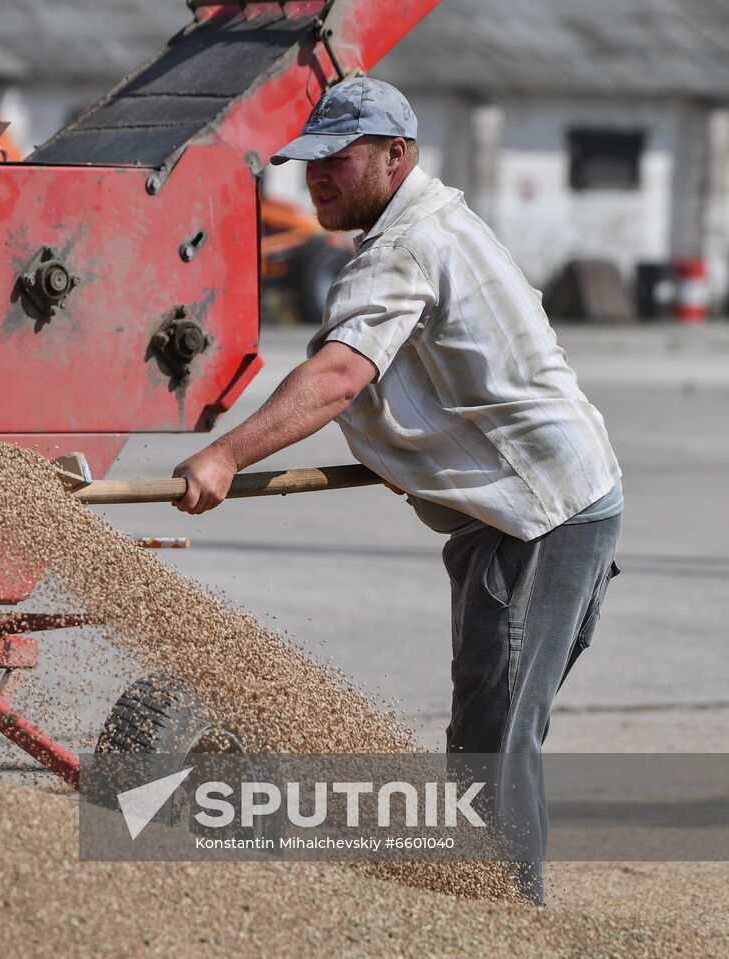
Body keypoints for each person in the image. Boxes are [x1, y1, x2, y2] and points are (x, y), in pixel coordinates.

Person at [171, 77, 622, 904]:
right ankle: (490, 896)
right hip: (553, 499)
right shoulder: (440, 221)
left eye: (336, 162)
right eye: (309, 164)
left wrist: (226, 455)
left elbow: (340, 375)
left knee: (494, 737)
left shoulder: (406, 244)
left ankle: (505, 914)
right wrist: (406, 455)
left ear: (394, 155)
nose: (317, 180)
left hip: (537, 515)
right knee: (495, 725)